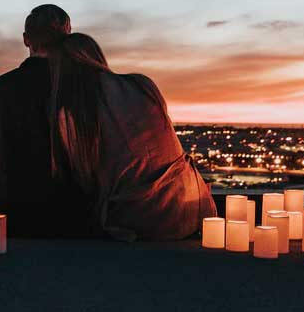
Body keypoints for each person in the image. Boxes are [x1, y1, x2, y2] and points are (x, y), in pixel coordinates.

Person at [48, 33, 217, 241]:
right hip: (194, 207)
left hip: (142, 220)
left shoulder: (73, 115)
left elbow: (85, 180)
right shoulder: (143, 85)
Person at [0, 4, 89, 237]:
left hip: (6, 216)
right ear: (68, 39)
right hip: (68, 218)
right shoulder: (80, 89)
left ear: (26, 40)